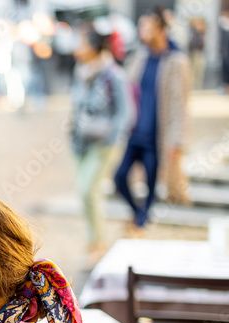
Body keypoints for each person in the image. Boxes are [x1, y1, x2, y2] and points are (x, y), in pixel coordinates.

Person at [113, 8, 191, 234]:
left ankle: (141, 225)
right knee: (119, 177)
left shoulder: (177, 61)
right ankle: (139, 215)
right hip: (136, 133)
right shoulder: (141, 56)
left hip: (157, 137)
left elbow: (179, 105)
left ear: (160, 29)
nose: (141, 31)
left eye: (146, 26)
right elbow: (127, 89)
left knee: (151, 187)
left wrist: (176, 141)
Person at [69, 26, 133, 259]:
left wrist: (111, 139)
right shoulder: (81, 72)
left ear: (94, 47)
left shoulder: (113, 74)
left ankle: (99, 242)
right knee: (84, 191)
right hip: (81, 143)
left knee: (89, 189)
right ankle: (93, 240)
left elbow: (126, 113)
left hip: (103, 144)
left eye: (81, 43)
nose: (77, 48)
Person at [188, 17, 207, 89]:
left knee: (198, 71)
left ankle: (197, 86)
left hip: (198, 53)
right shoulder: (194, 32)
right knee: (193, 70)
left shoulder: (201, 33)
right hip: (193, 52)